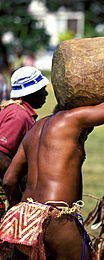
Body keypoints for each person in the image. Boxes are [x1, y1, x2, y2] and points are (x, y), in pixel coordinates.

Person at [0, 39, 104, 260]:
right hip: (57, 218)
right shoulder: (73, 120)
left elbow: (9, 181)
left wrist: (23, 214)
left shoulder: (36, 129)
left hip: (25, 219)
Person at [0, 66, 49, 219]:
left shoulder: (18, 112)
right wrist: (17, 194)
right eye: (42, 89)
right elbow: (1, 156)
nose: (46, 93)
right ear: (31, 93)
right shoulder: (18, 116)